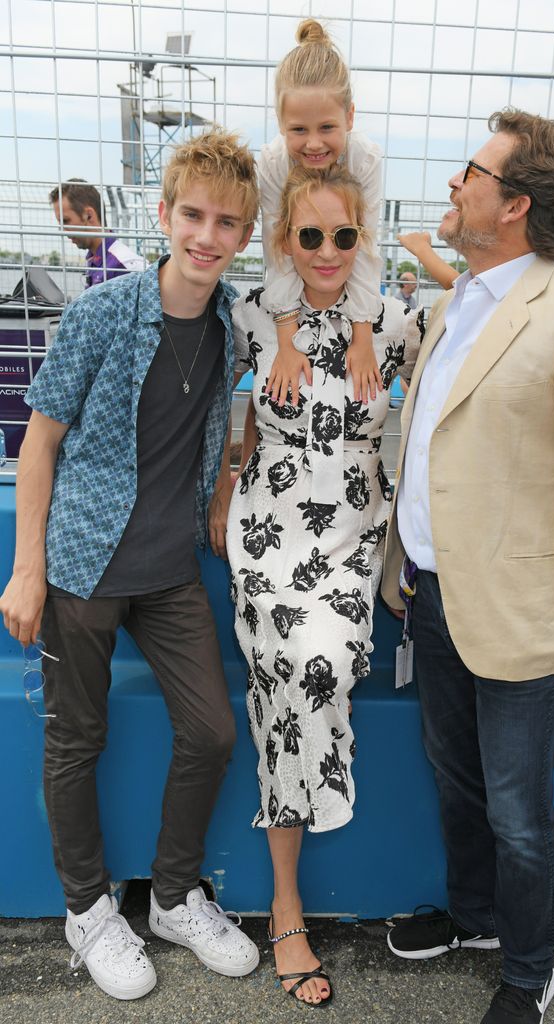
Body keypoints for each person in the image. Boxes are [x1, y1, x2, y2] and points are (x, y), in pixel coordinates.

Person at [382, 108, 554, 1024]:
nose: (454, 185)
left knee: (518, 811)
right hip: (429, 596)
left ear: (514, 205)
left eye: (471, 171)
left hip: (527, 611)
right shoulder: (458, 299)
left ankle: (529, 965)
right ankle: (476, 917)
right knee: (454, 779)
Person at [1, 130, 260, 1000]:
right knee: (78, 736)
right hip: (80, 560)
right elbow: (39, 444)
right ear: (163, 214)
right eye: (193, 215)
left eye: (227, 223)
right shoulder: (100, 314)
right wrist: (26, 567)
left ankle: (174, 895)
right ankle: (87, 909)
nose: (207, 236)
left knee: (215, 731)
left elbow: (229, 425)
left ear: (243, 235)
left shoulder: (229, 322)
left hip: (169, 569)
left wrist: (220, 501)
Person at [210, 164, 423, 1007]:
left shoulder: (399, 326)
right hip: (269, 533)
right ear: (283, 241)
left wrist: (412, 530)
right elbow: (226, 412)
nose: (327, 252)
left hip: (350, 536)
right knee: (286, 678)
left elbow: (458, 401)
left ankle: (286, 902)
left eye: (344, 236)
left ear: (361, 241)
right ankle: (287, 906)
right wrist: (224, 490)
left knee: (321, 667)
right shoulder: (253, 317)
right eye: (310, 236)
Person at [258, 18, 385, 407]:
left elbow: (365, 245)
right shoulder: (274, 163)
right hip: (297, 287)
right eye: (298, 130)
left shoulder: (365, 159)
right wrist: (286, 341)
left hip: (345, 283)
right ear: (280, 124)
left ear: (350, 116)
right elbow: (277, 250)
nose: (314, 144)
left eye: (327, 127)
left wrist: (362, 337)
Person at [50, 179, 146, 288]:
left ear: (88, 215)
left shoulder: (124, 265)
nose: (63, 231)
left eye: (66, 221)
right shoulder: (97, 259)